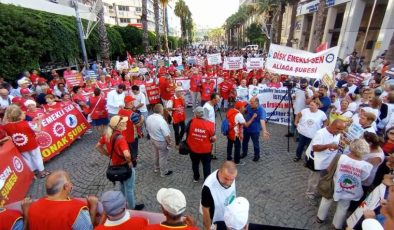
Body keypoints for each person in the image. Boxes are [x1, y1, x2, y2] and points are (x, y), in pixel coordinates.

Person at [316, 139, 373, 229]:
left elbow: (329, 169)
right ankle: (336, 225)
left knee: (326, 200)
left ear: (351, 147)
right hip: (351, 190)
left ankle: (320, 218)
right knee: (343, 207)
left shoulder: (340, 157)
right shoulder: (367, 166)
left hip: (335, 184)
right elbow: (363, 179)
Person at [96, 115, 144, 210]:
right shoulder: (120, 138)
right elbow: (126, 154)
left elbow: (98, 146)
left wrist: (109, 154)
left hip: (115, 165)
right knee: (129, 188)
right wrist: (129, 162)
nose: (126, 123)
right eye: (124, 122)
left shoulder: (107, 135)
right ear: (118, 126)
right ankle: (132, 207)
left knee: (122, 185)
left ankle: (122, 203)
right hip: (125, 166)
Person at [26, 170, 98, 229]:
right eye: (70, 182)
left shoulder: (33, 207)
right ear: (66, 187)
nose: (71, 184)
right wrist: (93, 206)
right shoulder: (76, 209)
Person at [305, 119, 346, 205]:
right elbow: (315, 148)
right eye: (338, 129)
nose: (339, 131)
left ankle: (320, 190)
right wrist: (328, 145)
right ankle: (309, 194)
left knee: (323, 177)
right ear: (331, 125)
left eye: (342, 129)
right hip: (317, 160)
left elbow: (335, 142)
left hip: (328, 160)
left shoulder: (337, 133)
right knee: (314, 179)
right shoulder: (320, 133)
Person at [2, 105, 50, 178]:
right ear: (19, 115)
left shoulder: (6, 126)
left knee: (27, 159)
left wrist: (7, 112)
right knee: (37, 157)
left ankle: (33, 173)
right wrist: (39, 122)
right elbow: (38, 130)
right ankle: (42, 172)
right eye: (22, 113)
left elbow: (3, 123)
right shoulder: (27, 123)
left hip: (20, 146)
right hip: (32, 144)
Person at [201, 161, 237, 230]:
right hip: (215, 220)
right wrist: (208, 228)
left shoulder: (230, 176)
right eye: (226, 178)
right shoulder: (208, 187)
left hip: (228, 217)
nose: (229, 183)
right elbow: (205, 209)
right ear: (220, 172)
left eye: (232, 179)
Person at [186, 106, 216, 182]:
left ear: (195, 114)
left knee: (195, 163)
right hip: (205, 149)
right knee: (206, 164)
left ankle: (196, 178)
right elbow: (213, 138)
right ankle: (207, 180)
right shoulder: (210, 124)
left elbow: (187, 131)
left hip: (193, 148)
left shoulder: (191, 122)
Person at [146, 104, 173, 177]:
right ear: (161, 111)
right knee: (163, 157)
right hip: (161, 141)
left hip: (152, 139)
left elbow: (147, 128)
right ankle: (163, 172)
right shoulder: (162, 121)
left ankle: (156, 168)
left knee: (155, 154)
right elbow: (166, 135)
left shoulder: (149, 117)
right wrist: (169, 143)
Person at [241, 97, 270, 162]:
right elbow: (244, 110)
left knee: (255, 143)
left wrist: (264, 130)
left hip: (255, 130)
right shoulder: (248, 106)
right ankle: (244, 153)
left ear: (256, 103)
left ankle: (257, 155)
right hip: (246, 128)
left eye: (251, 103)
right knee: (244, 142)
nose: (250, 104)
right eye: (250, 102)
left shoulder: (261, 110)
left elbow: (262, 120)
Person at [118, 96, 144, 167]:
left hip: (123, 134)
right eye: (132, 101)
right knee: (133, 150)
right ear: (130, 103)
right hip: (132, 136)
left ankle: (126, 161)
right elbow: (138, 125)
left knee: (126, 149)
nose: (133, 103)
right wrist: (142, 119)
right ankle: (133, 164)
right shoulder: (132, 114)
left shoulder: (120, 111)